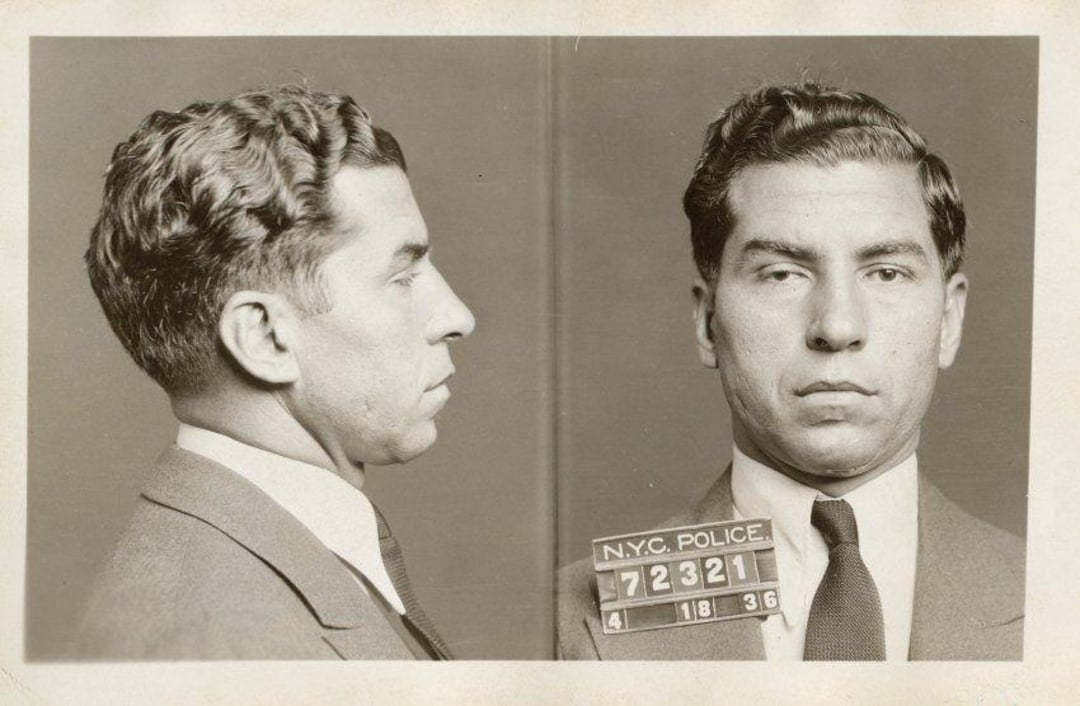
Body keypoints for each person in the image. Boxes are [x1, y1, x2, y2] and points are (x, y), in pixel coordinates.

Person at [557, 82, 1024, 661]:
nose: (837, 326)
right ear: (707, 321)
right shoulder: (563, 625)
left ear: (949, 319)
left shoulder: (1057, 602)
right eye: (782, 274)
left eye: (886, 272)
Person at [74, 84, 475, 660]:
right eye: (402, 278)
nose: (458, 317)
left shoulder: (250, 560)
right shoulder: (222, 642)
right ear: (263, 338)